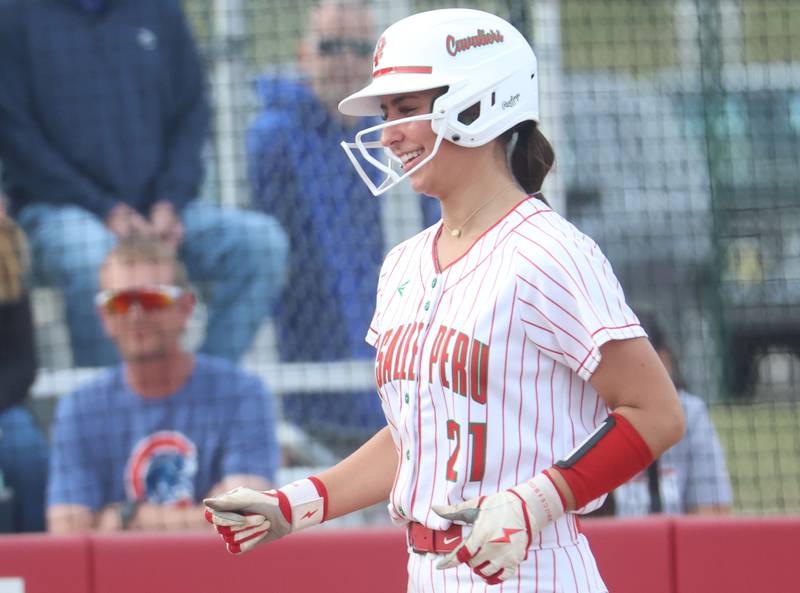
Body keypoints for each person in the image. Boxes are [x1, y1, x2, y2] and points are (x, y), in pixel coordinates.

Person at [203, 9, 685, 592]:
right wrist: (293, 505)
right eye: (386, 114)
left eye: (406, 110)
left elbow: (656, 412)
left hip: (532, 568)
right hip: (427, 571)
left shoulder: (549, 252)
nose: (387, 134)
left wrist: (534, 501)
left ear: (478, 105)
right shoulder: (403, 263)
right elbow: (417, 437)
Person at [0, 0, 288, 367]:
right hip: (56, 213)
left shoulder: (160, 9)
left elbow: (192, 114)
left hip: (162, 216)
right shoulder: (14, 14)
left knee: (261, 244)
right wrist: (106, 210)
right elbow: (18, 139)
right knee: (94, 259)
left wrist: (170, 202)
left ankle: (202, 383)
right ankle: (109, 394)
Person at [246, 0, 439, 442]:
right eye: (332, 46)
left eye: (359, 48)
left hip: (395, 351)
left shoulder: (395, 138)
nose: (346, 61)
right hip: (307, 356)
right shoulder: (274, 136)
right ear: (305, 54)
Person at [47, 237, 280, 533]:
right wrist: (204, 514)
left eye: (151, 300)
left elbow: (245, 515)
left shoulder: (242, 393)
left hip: (218, 562)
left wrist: (125, 517)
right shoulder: (80, 408)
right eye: (120, 302)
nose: (135, 315)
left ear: (185, 308)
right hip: (127, 566)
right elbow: (66, 529)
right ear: (104, 317)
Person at [608, 311, 733, 516]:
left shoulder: (690, 414)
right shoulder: (587, 414)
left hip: (677, 534)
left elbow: (714, 514)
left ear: (663, 360)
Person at [0, 201, 49, 532]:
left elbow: (23, 366)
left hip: (4, 409)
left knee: (27, 450)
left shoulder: (6, 270)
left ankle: (37, 543)